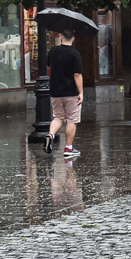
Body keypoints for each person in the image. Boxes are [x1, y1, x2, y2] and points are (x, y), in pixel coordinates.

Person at [46, 27, 85, 161]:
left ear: (61, 37)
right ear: (73, 39)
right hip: (70, 91)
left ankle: (51, 134)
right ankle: (68, 148)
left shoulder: (53, 51)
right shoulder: (75, 54)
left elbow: (49, 67)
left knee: (58, 117)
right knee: (71, 120)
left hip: (55, 90)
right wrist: (80, 92)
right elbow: (77, 74)